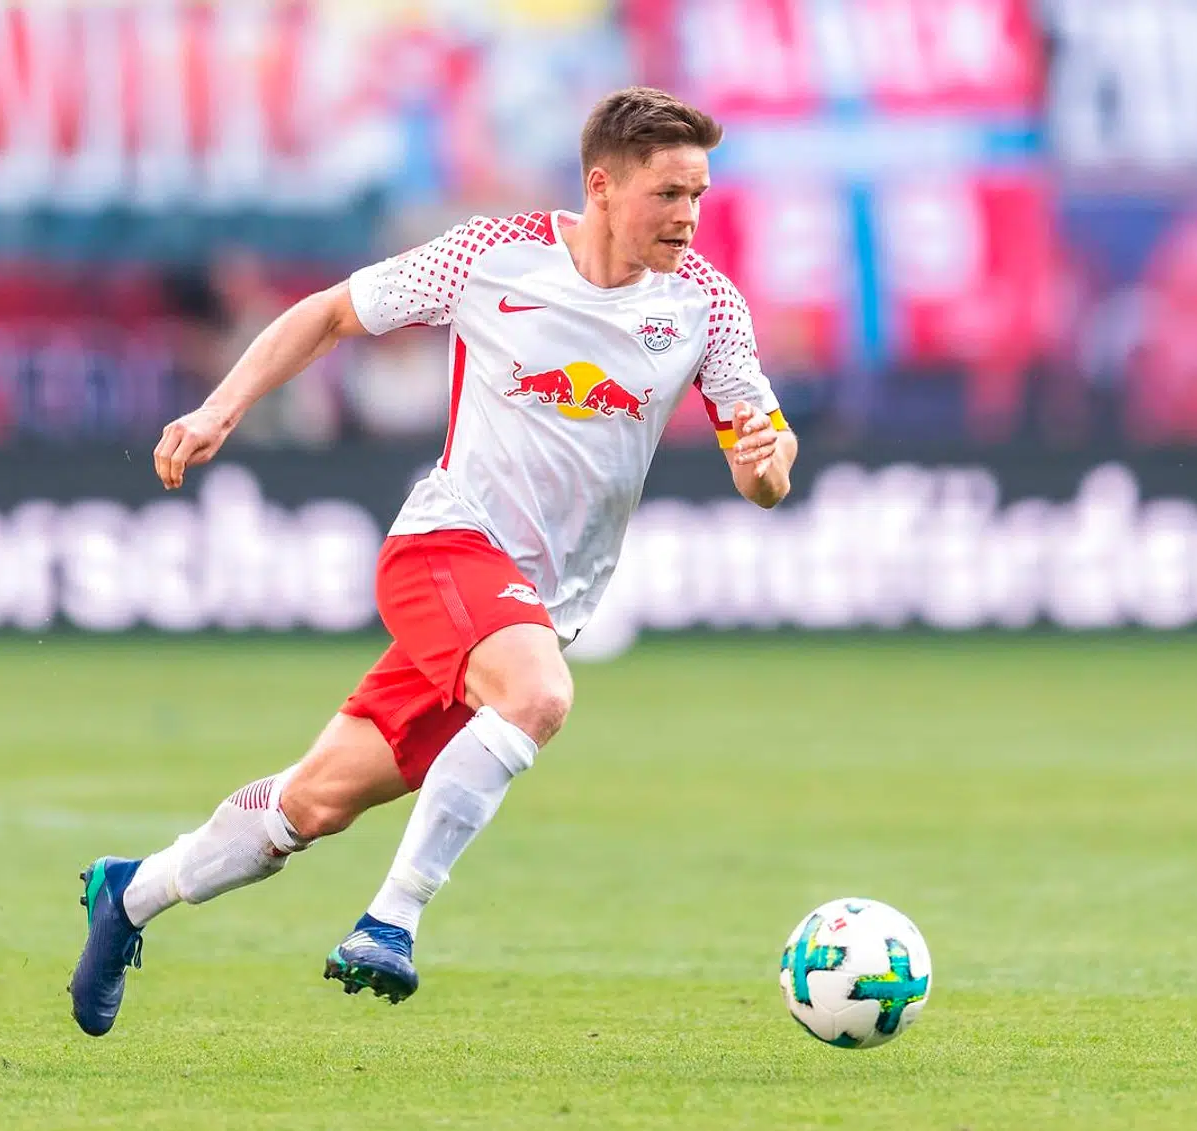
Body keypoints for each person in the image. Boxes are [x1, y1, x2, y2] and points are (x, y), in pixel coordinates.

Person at [69, 86, 798, 1037]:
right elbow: (331, 314)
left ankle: (129, 894)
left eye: (699, 194)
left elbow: (767, 460)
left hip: (534, 607)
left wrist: (764, 465)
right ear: (603, 186)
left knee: (311, 804)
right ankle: (391, 920)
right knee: (538, 698)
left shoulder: (705, 303)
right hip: (448, 547)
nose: (689, 218)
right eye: (669, 194)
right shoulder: (494, 255)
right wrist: (220, 408)